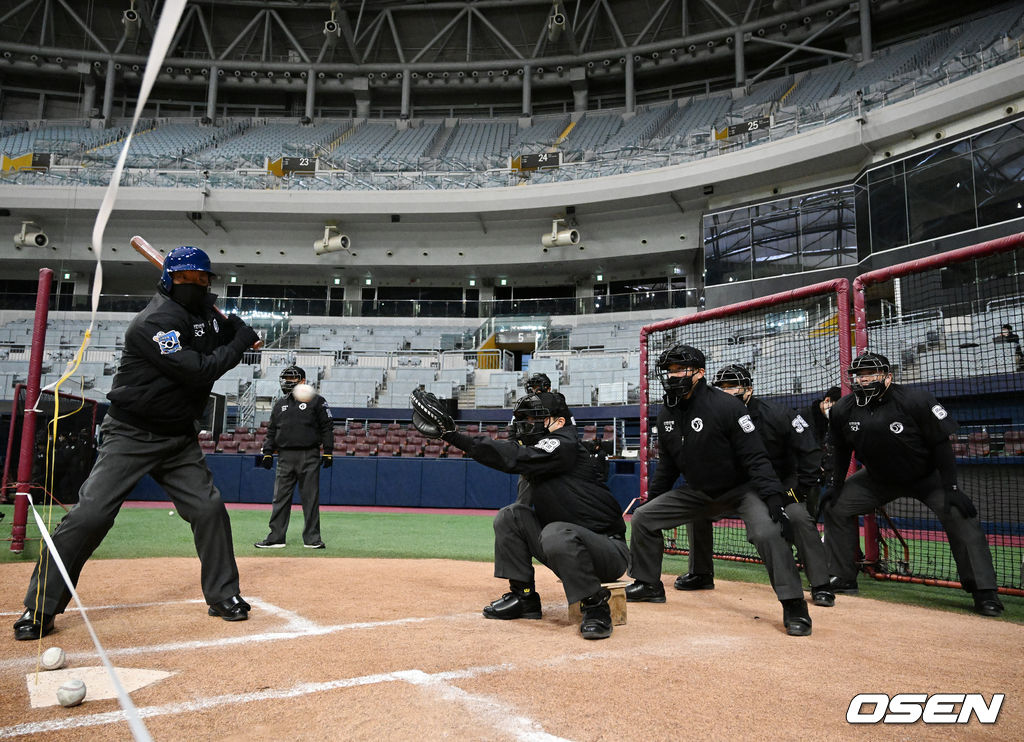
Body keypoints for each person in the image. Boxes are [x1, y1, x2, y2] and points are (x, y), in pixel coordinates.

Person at [13, 246, 260, 640]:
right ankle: (39, 607)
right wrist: (238, 344)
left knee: (209, 509)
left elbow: (209, 345)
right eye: (185, 278)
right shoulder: (153, 323)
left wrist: (228, 332)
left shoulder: (200, 314)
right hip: (131, 433)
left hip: (178, 437)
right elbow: (200, 371)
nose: (193, 285)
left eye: (201, 279)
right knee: (90, 516)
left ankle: (223, 595)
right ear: (168, 280)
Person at [625, 343, 814, 637]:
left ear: (700, 373)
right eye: (669, 370)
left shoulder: (727, 406)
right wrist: (654, 498)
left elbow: (755, 457)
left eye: (680, 369)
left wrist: (773, 497)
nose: (673, 376)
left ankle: (793, 604)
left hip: (741, 490)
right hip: (699, 492)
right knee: (644, 518)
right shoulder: (667, 413)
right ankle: (649, 584)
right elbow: (669, 465)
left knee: (767, 532)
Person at [411, 389, 628, 640]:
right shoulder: (538, 457)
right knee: (511, 516)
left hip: (607, 550)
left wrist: (454, 436)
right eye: (525, 419)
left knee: (555, 532)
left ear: (559, 422)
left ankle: (595, 605)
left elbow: (514, 457)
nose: (528, 425)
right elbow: (519, 474)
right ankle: (523, 596)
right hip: (566, 545)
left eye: (536, 419)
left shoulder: (564, 443)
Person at [821, 352, 1004, 616]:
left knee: (960, 515)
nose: (865, 379)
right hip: (877, 478)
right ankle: (842, 577)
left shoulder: (915, 399)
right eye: (860, 375)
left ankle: (984, 592)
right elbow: (840, 451)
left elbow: (941, 445)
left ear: (888, 377)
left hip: (926, 477)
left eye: (872, 373)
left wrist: (951, 487)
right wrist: (836, 485)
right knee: (836, 507)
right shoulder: (843, 409)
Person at [674, 365, 835, 608]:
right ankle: (701, 573)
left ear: (749, 389)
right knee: (698, 510)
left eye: (733, 386)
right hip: (733, 488)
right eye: (723, 387)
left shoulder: (778, 414)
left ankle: (820, 584)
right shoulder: (710, 416)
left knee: (799, 517)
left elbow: (810, 451)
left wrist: (799, 490)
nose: (728, 392)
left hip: (777, 486)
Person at [254, 366, 333, 550]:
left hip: (309, 455)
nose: (287, 381)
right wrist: (267, 451)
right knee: (280, 498)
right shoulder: (280, 403)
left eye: (292, 378)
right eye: (286, 378)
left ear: (303, 381)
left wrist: (328, 451)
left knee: (310, 498)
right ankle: (276, 538)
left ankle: (312, 539)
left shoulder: (317, 401)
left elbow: (327, 428)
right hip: (284, 456)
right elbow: (272, 430)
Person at [798, 386, 842, 517]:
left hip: (816, 480)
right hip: (798, 478)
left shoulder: (832, 423)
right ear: (827, 400)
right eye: (837, 407)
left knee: (811, 516)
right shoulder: (803, 416)